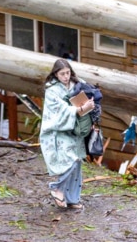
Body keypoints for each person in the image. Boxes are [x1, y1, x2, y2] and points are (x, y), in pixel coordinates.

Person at [40, 58, 95, 210]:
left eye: (68, 73)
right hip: (58, 131)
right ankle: (56, 187)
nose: (65, 76)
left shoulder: (77, 84)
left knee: (77, 163)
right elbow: (59, 111)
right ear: (56, 74)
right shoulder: (52, 91)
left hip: (76, 130)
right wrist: (80, 109)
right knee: (70, 160)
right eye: (62, 74)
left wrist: (90, 105)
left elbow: (89, 97)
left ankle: (72, 199)